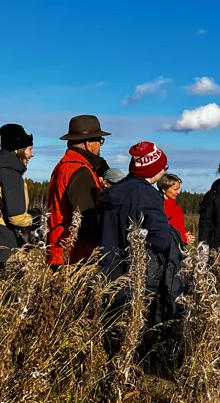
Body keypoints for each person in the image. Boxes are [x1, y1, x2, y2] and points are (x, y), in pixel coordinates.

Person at [98, 141, 182, 331]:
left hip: (106, 269)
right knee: (133, 329)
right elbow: (160, 240)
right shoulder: (147, 195)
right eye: (163, 167)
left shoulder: (112, 192)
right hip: (134, 273)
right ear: (153, 169)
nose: (164, 171)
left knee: (109, 325)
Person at [46, 115, 111, 265]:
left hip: (60, 250)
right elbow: (86, 219)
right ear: (88, 143)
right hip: (75, 255)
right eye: (100, 141)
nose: (100, 146)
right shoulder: (80, 170)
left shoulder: (64, 166)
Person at [0, 123, 36, 257]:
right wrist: (36, 219)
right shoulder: (11, 175)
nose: (32, 155)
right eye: (29, 149)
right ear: (18, 150)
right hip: (7, 240)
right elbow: (17, 218)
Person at [159, 172, 192, 246]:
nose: (178, 192)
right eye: (175, 189)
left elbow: (181, 230)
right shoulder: (159, 207)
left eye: (178, 189)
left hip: (178, 249)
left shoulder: (177, 208)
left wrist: (187, 236)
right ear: (164, 190)